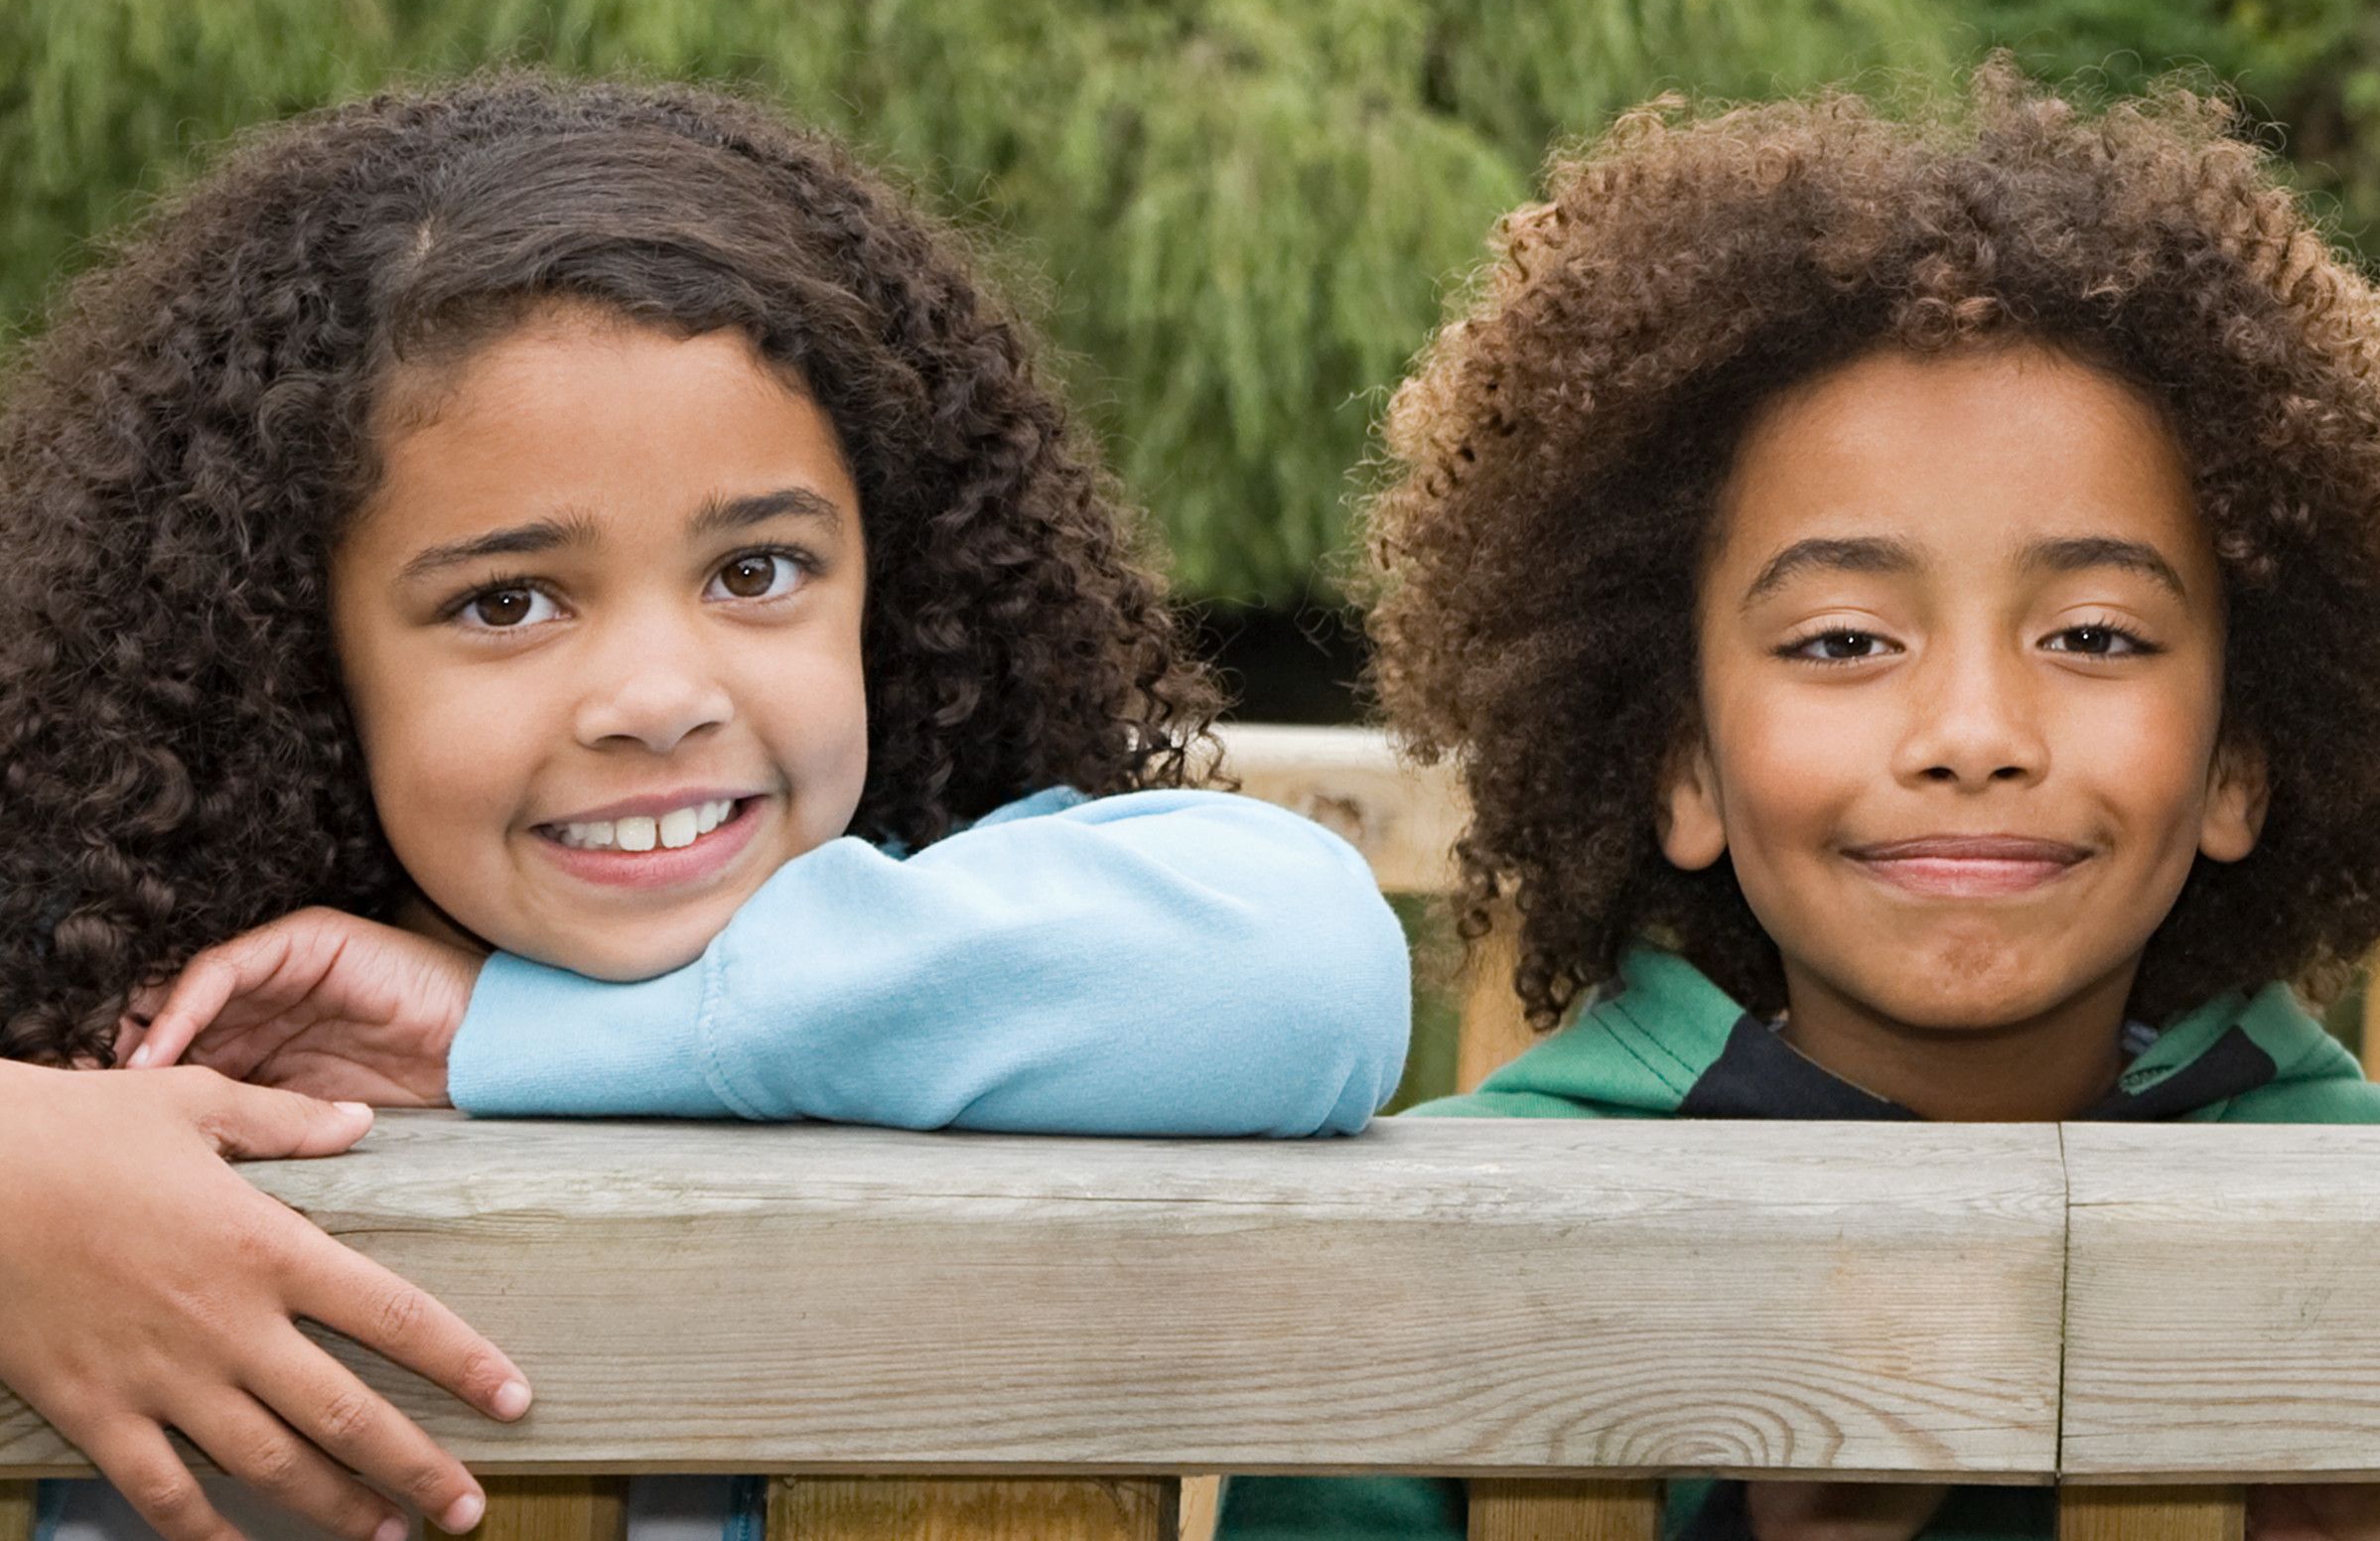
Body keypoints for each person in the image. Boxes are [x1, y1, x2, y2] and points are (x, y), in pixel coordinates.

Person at [0, 76, 1414, 1541]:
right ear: (292, 654)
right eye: (508, 601)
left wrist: (502, 1029)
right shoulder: (129, 1027)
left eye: (756, 572)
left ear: (891, 589)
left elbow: (1305, 971)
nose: (659, 696)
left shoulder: (967, 929)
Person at [1224, 79, 2380, 1541]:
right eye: (1840, 643)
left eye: (2092, 637)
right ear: (1679, 761)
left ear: (2236, 768)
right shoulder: (1423, 1266)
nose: (1972, 735)